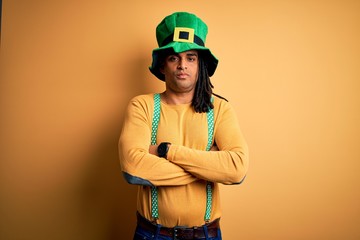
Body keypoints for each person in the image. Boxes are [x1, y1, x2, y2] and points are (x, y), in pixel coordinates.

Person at [119, 12, 249, 240]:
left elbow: (236, 169)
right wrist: (208, 166)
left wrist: (165, 151)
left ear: (201, 66)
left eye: (191, 58)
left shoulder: (219, 109)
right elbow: (133, 168)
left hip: (206, 235)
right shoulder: (143, 106)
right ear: (162, 66)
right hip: (152, 234)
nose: (182, 65)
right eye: (173, 58)